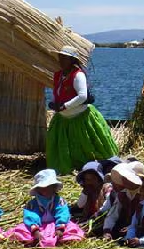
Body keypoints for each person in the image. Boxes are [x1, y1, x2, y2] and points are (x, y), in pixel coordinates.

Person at [46, 45, 118, 174]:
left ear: (72, 60)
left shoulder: (78, 75)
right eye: (60, 57)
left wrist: (65, 106)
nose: (61, 60)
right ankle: (70, 166)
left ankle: (95, 165)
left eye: (65, 58)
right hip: (63, 119)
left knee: (87, 145)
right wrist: (53, 103)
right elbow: (56, 92)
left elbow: (82, 95)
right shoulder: (58, 75)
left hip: (81, 117)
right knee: (66, 147)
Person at [6, 169, 85, 247]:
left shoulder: (59, 201)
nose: (45, 190)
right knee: (20, 230)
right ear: (37, 189)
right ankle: (34, 240)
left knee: (72, 228)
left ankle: (60, 239)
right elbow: (30, 216)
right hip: (38, 227)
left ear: (54, 187)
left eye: (48, 187)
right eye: (42, 187)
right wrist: (35, 231)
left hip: (55, 226)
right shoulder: (33, 204)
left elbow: (63, 213)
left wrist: (60, 229)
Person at [102, 161, 144, 240]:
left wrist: (131, 228)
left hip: (140, 234)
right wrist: (107, 230)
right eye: (124, 177)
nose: (124, 180)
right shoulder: (122, 194)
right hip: (122, 228)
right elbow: (113, 214)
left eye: (127, 178)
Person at [71, 160, 110, 226]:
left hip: (104, 220)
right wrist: (84, 193)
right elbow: (80, 205)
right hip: (90, 219)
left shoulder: (107, 188)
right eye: (87, 180)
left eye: (92, 179)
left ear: (99, 179)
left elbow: (108, 205)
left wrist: (97, 215)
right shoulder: (89, 191)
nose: (89, 182)